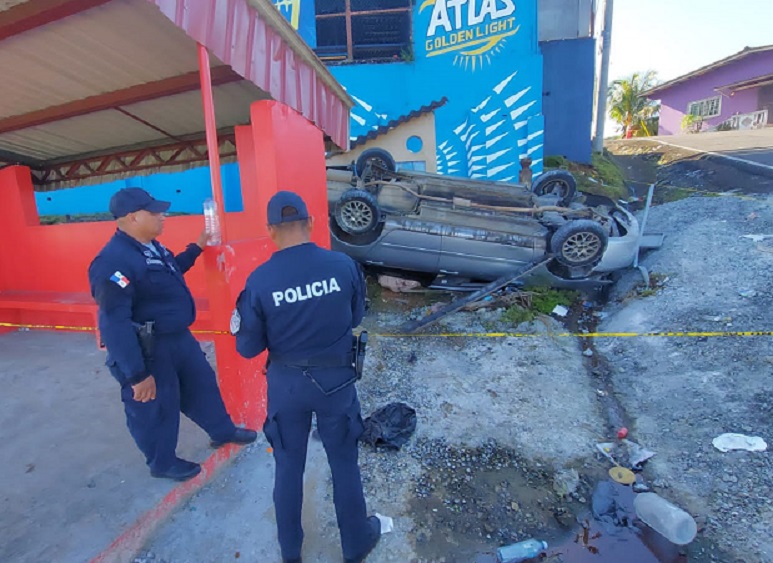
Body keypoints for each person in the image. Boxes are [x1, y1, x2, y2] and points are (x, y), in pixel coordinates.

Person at [232, 191, 380, 563]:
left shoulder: (259, 280)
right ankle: (355, 544)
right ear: (311, 223)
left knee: (288, 466)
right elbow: (356, 317)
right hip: (336, 383)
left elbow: (248, 349)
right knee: (344, 463)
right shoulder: (343, 265)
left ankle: (291, 552)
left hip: (287, 385)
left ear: (270, 230)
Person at [88, 187, 257, 481]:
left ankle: (222, 431)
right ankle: (162, 462)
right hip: (150, 349)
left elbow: (172, 272)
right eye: (154, 212)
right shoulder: (112, 262)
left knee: (202, 386)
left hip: (179, 339)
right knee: (157, 407)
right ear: (132, 218)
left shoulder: (152, 247)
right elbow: (114, 322)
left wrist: (197, 248)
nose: (162, 216)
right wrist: (136, 375)